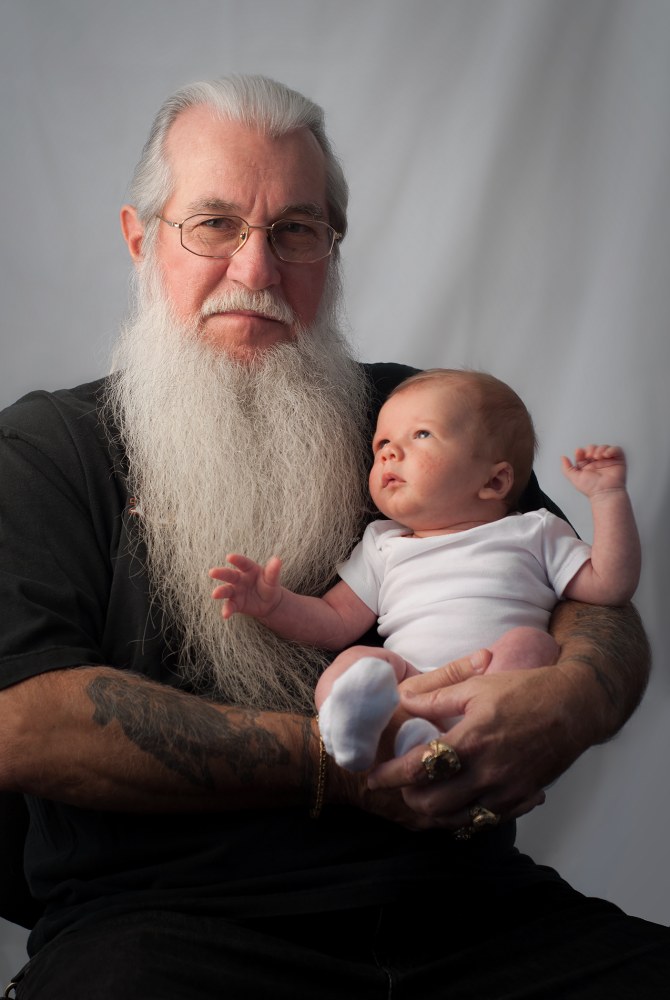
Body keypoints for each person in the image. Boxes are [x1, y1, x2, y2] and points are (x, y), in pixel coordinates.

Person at [0, 74, 667, 999]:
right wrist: (335, 763)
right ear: (141, 238)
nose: (257, 270)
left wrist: (572, 701)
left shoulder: (419, 420)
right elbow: (20, 719)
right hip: (165, 927)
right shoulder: (49, 448)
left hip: (471, 910)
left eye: (295, 230)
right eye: (215, 224)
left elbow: (592, 602)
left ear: (332, 249)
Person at [210, 368, 641, 772]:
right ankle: (357, 734)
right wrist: (275, 604)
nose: (390, 452)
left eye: (421, 435)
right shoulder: (383, 543)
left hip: (493, 695)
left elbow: (610, 585)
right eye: (381, 444)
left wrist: (607, 499)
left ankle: (437, 737)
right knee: (356, 663)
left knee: (531, 644)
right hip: (409, 688)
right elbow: (335, 621)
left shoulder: (534, 531)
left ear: (494, 482)